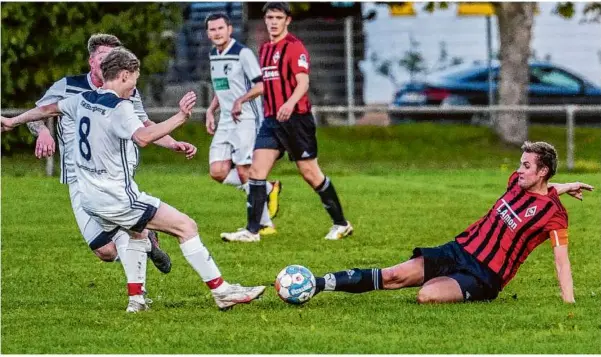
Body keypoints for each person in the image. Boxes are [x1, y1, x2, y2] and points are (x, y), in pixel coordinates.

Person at [2, 47, 266, 312]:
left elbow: (47, 109)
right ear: (125, 75)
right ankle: (222, 291)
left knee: (137, 232)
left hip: (89, 198)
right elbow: (143, 137)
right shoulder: (120, 107)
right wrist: (180, 117)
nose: (134, 89)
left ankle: (136, 300)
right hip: (117, 197)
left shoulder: (82, 99)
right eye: (135, 81)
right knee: (186, 227)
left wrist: (13, 122)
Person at [307, 142, 593, 304]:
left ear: (542, 171)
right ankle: (317, 284)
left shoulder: (554, 215)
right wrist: (567, 184)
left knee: (426, 296)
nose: (519, 170)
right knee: (392, 276)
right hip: (458, 249)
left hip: (484, 276)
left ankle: (447, 284)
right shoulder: (515, 184)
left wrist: (568, 305)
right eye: (520, 163)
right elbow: (545, 187)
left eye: (526, 166)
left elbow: (561, 262)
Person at [22, 34, 198, 276]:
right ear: (91, 61)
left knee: (130, 232)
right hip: (79, 180)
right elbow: (41, 111)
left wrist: (172, 144)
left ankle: (137, 295)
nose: (109, 62)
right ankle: (147, 241)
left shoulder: (127, 92)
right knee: (106, 251)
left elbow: (144, 126)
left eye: (114, 57)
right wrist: (42, 131)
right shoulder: (68, 87)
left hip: (115, 178)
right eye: (104, 57)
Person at [221, 2, 353, 243]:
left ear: (287, 21)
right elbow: (264, 85)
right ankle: (252, 231)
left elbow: (303, 83)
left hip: (297, 120)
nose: (273, 21)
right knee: (256, 172)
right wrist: (242, 99)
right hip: (272, 120)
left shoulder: (295, 47)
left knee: (311, 174)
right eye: (269, 17)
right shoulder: (264, 49)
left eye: (278, 17)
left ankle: (341, 223)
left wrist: (290, 103)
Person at [204, 13, 281, 236]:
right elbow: (222, 87)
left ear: (229, 29)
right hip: (226, 119)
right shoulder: (213, 54)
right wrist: (211, 109)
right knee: (217, 171)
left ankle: (263, 224)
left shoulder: (243, 53)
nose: (217, 33)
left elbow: (261, 86)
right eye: (212, 29)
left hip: (246, 117)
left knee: (245, 170)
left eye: (220, 28)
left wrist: (240, 100)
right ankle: (266, 188)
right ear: (208, 33)